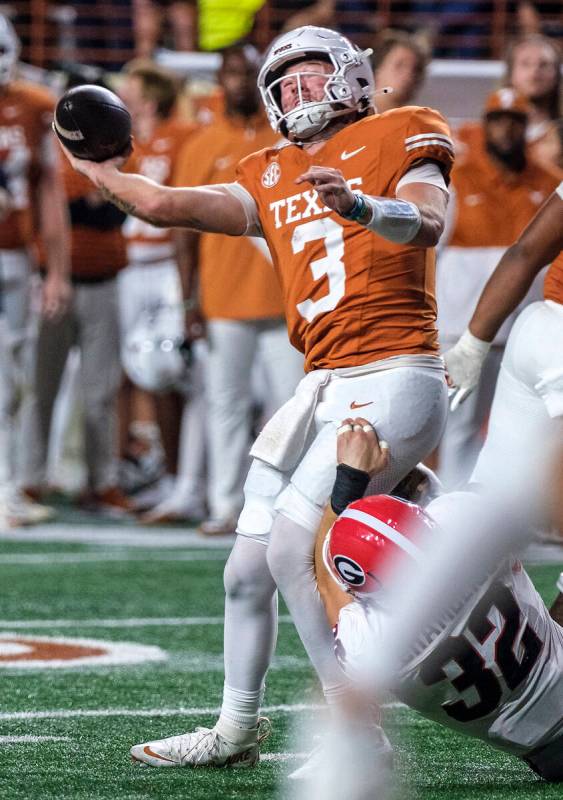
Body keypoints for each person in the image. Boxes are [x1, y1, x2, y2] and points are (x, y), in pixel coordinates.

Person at [60, 25, 454, 767]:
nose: (296, 93)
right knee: (243, 571)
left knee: (290, 551)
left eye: (310, 77)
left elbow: (428, 222)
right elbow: (165, 203)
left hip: (393, 372)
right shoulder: (270, 169)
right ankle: (237, 729)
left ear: (350, 78)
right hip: (323, 383)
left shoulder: (405, 129)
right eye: (287, 83)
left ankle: (357, 733)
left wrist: (362, 206)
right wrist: (97, 168)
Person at [314, 420, 563, 786]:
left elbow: (327, 584)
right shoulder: (458, 517)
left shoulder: (369, 641)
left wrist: (347, 481)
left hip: (549, 757)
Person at [172, 44, 303, 535]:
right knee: (223, 405)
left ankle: (280, 508)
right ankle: (224, 503)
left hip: (285, 299)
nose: (239, 81)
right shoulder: (201, 144)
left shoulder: (288, 139)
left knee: (292, 407)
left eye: (248, 73)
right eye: (231, 72)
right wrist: (188, 300)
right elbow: (181, 229)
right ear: (219, 79)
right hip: (224, 299)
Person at [444, 180, 563, 623]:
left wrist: (474, 342)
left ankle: (414, 631)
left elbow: (526, 251)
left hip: (538, 327)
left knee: (487, 503)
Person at [435, 87, 560, 487]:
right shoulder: (456, 179)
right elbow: (432, 251)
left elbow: (526, 256)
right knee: (460, 426)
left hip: (525, 326)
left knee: (522, 439)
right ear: (484, 126)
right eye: (498, 121)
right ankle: (452, 502)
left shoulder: (548, 181)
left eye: (515, 122)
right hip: (466, 324)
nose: (506, 130)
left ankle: (514, 517)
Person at [20, 72, 130, 514]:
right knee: (37, 386)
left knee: (100, 390)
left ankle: (101, 480)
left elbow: (114, 216)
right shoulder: (51, 150)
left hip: (103, 282)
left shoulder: (116, 148)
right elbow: (55, 209)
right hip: (48, 281)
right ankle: (28, 478)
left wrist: (82, 207)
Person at [0, 15, 71, 526]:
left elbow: (50, 191)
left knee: (13, 378)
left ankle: (7, 483)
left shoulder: (32, 105)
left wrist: (57, 271)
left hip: (14, 255)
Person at [117, 60, 197, 511]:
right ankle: (134, 463)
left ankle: (176, 471)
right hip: (129, 266)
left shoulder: (182, 134)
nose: (121, 93)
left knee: (169, 369)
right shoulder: (122, 139)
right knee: (130, 368)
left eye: (130, 87)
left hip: (167, 264)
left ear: (149, 96)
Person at [456, 34, 562, 170]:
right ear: (511, 72)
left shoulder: (559, 136)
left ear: (557, 75)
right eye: (525, 63)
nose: (535, 70)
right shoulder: (476, 136)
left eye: (544, 64)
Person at [371, 29, 431, 114]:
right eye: (400, 65)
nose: (409, 75)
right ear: (378, 69)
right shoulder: (350, 118)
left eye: (416, 69)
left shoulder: (421, 123)